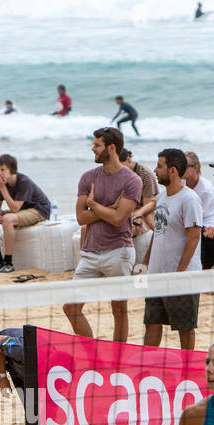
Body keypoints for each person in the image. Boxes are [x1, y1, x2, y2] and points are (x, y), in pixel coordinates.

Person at [66, 127, 144, 342]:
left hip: (119, 250)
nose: (92, 148)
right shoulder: (88, 177)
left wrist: (93, 205)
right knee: (70, 307)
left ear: (111, 148)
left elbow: (119, 219)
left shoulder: (132, 180)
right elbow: (81, 217)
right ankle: (93, 351)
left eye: (97, 145)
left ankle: (117, 356)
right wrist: (108, 208)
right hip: (90, 252)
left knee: (119, 309)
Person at [141, 148, 203, 350]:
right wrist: (145, 263)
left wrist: (180, 272)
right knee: (151, 323)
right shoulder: (161, 198)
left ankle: (187, 370)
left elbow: (194, 238)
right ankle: (148, 365)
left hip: (182, 276)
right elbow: (157, 234)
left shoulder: (190, 199)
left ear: (173, 170)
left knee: (184, 328)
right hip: (157, 275)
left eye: (160, 166)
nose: (155, 170)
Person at [0, 154, 51, 274]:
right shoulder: (3, 183)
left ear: (12, 170)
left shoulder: (23, 181)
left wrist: (2, 188)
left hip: (39, 210)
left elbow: (15, 209)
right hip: (22, 211)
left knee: (7, 219)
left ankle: (8, 263)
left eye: (3, 169)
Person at [119, 148, 158, 263]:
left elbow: (149, 206)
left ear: (128, 159)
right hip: (124, 211)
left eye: (120, 165)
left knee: (129, 228)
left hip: (144, 213)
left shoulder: (145, 174)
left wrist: (137, 215)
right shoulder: (115, 173)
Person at [182, 152, 214, 268]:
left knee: (197, 236)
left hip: (207, 221)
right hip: (190, 219)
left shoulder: (206, 189)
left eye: (185, 166)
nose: (181, 169)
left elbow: (202, 215)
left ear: (195, 167)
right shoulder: (181, 183)